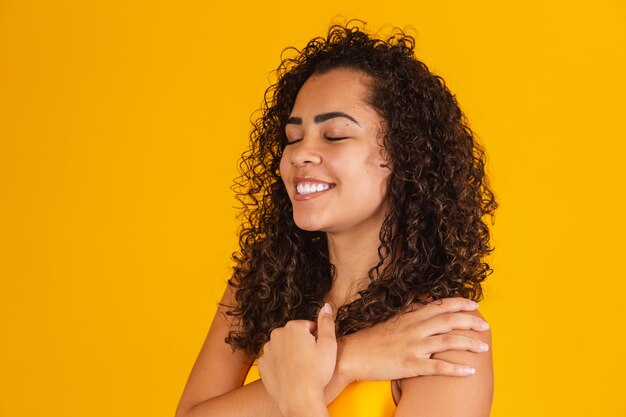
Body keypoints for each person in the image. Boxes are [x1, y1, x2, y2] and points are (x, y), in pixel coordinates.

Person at [176, 21, 497, 417]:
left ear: (403, 155)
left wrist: (301, 395)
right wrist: (348, 359)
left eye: (335, 135)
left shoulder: (442, 337)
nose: (299, 155)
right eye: (293, 138)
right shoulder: (261, 281)